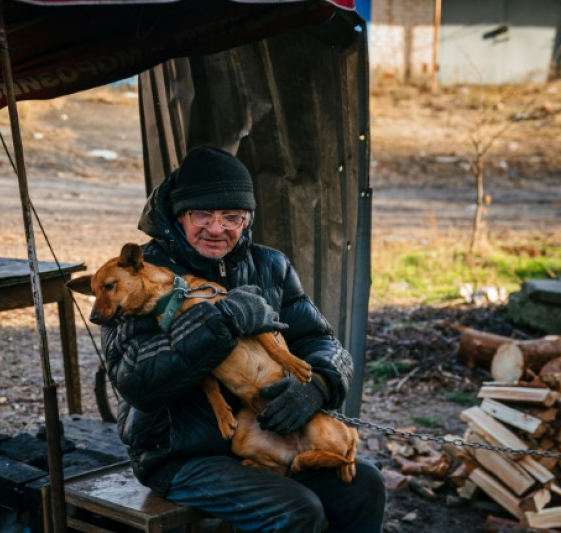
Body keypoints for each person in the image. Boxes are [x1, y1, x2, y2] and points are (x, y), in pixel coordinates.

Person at [102, 145, 386, 532]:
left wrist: (317, 386)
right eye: (201, 214)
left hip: (268, 437)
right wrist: (221, 320)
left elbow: (321, 340)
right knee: (296, 509)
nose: (216, 229)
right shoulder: (138, 277)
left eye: (231, 217)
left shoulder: (271, 265)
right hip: (182, 454)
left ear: (247, 218)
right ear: (178, 216)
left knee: (365, 484)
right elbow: (136, 380)